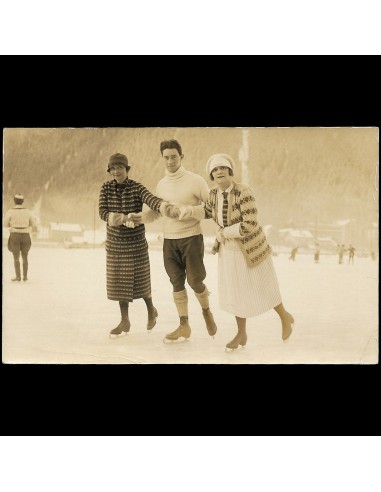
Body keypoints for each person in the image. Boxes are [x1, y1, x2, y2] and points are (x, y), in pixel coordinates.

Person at [185, 153, 294, 351]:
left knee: (263, 285)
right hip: (229, 251)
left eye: (223, 168)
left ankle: (285, 317)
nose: (219, 172)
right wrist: (190, 211)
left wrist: (224, 232)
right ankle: (241, 333)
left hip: (251, 249)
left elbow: (250, 224)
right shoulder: (213, 194)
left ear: (230, 171)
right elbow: (207, 211)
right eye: (215, 170)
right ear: (212, 174)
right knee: (236, 292)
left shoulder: (243, 192)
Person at [128, 139, 217, 343]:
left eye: (174, 157)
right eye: (166, 157)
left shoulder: (196, 181)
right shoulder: (161, 184)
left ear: (181, 157)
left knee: (195, 281)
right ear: (162, 158)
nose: (170, 161)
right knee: (176, 283)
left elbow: (213, 209)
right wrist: (139, 217)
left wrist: (191, 211)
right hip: (169, 241)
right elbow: (156, 213)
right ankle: (184, 326)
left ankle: (206, 312)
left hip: (191, 238)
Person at [99, 153, 168, 338]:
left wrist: (163, 206)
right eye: (113, 168)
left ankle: (151, 309)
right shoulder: (105, 188)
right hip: (115, 245)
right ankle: (125, 321)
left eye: (120, 167)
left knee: (141, 281)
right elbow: (102, 211)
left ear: (126, 169)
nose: (116, 171)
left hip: (136, 244)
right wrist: (120, 218)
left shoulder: (136, 187)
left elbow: (151, 200)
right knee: (120, 283)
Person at [4, 194, 37, 281]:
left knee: (16, 257)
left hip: (14, 235)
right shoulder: (28, 212)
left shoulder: (10, 211)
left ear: (14, 201)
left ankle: (18, 277)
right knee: (25, 256)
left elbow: (5, 224)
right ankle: (25, 277)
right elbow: (34, 224)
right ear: (22, 201)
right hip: (25, 234)